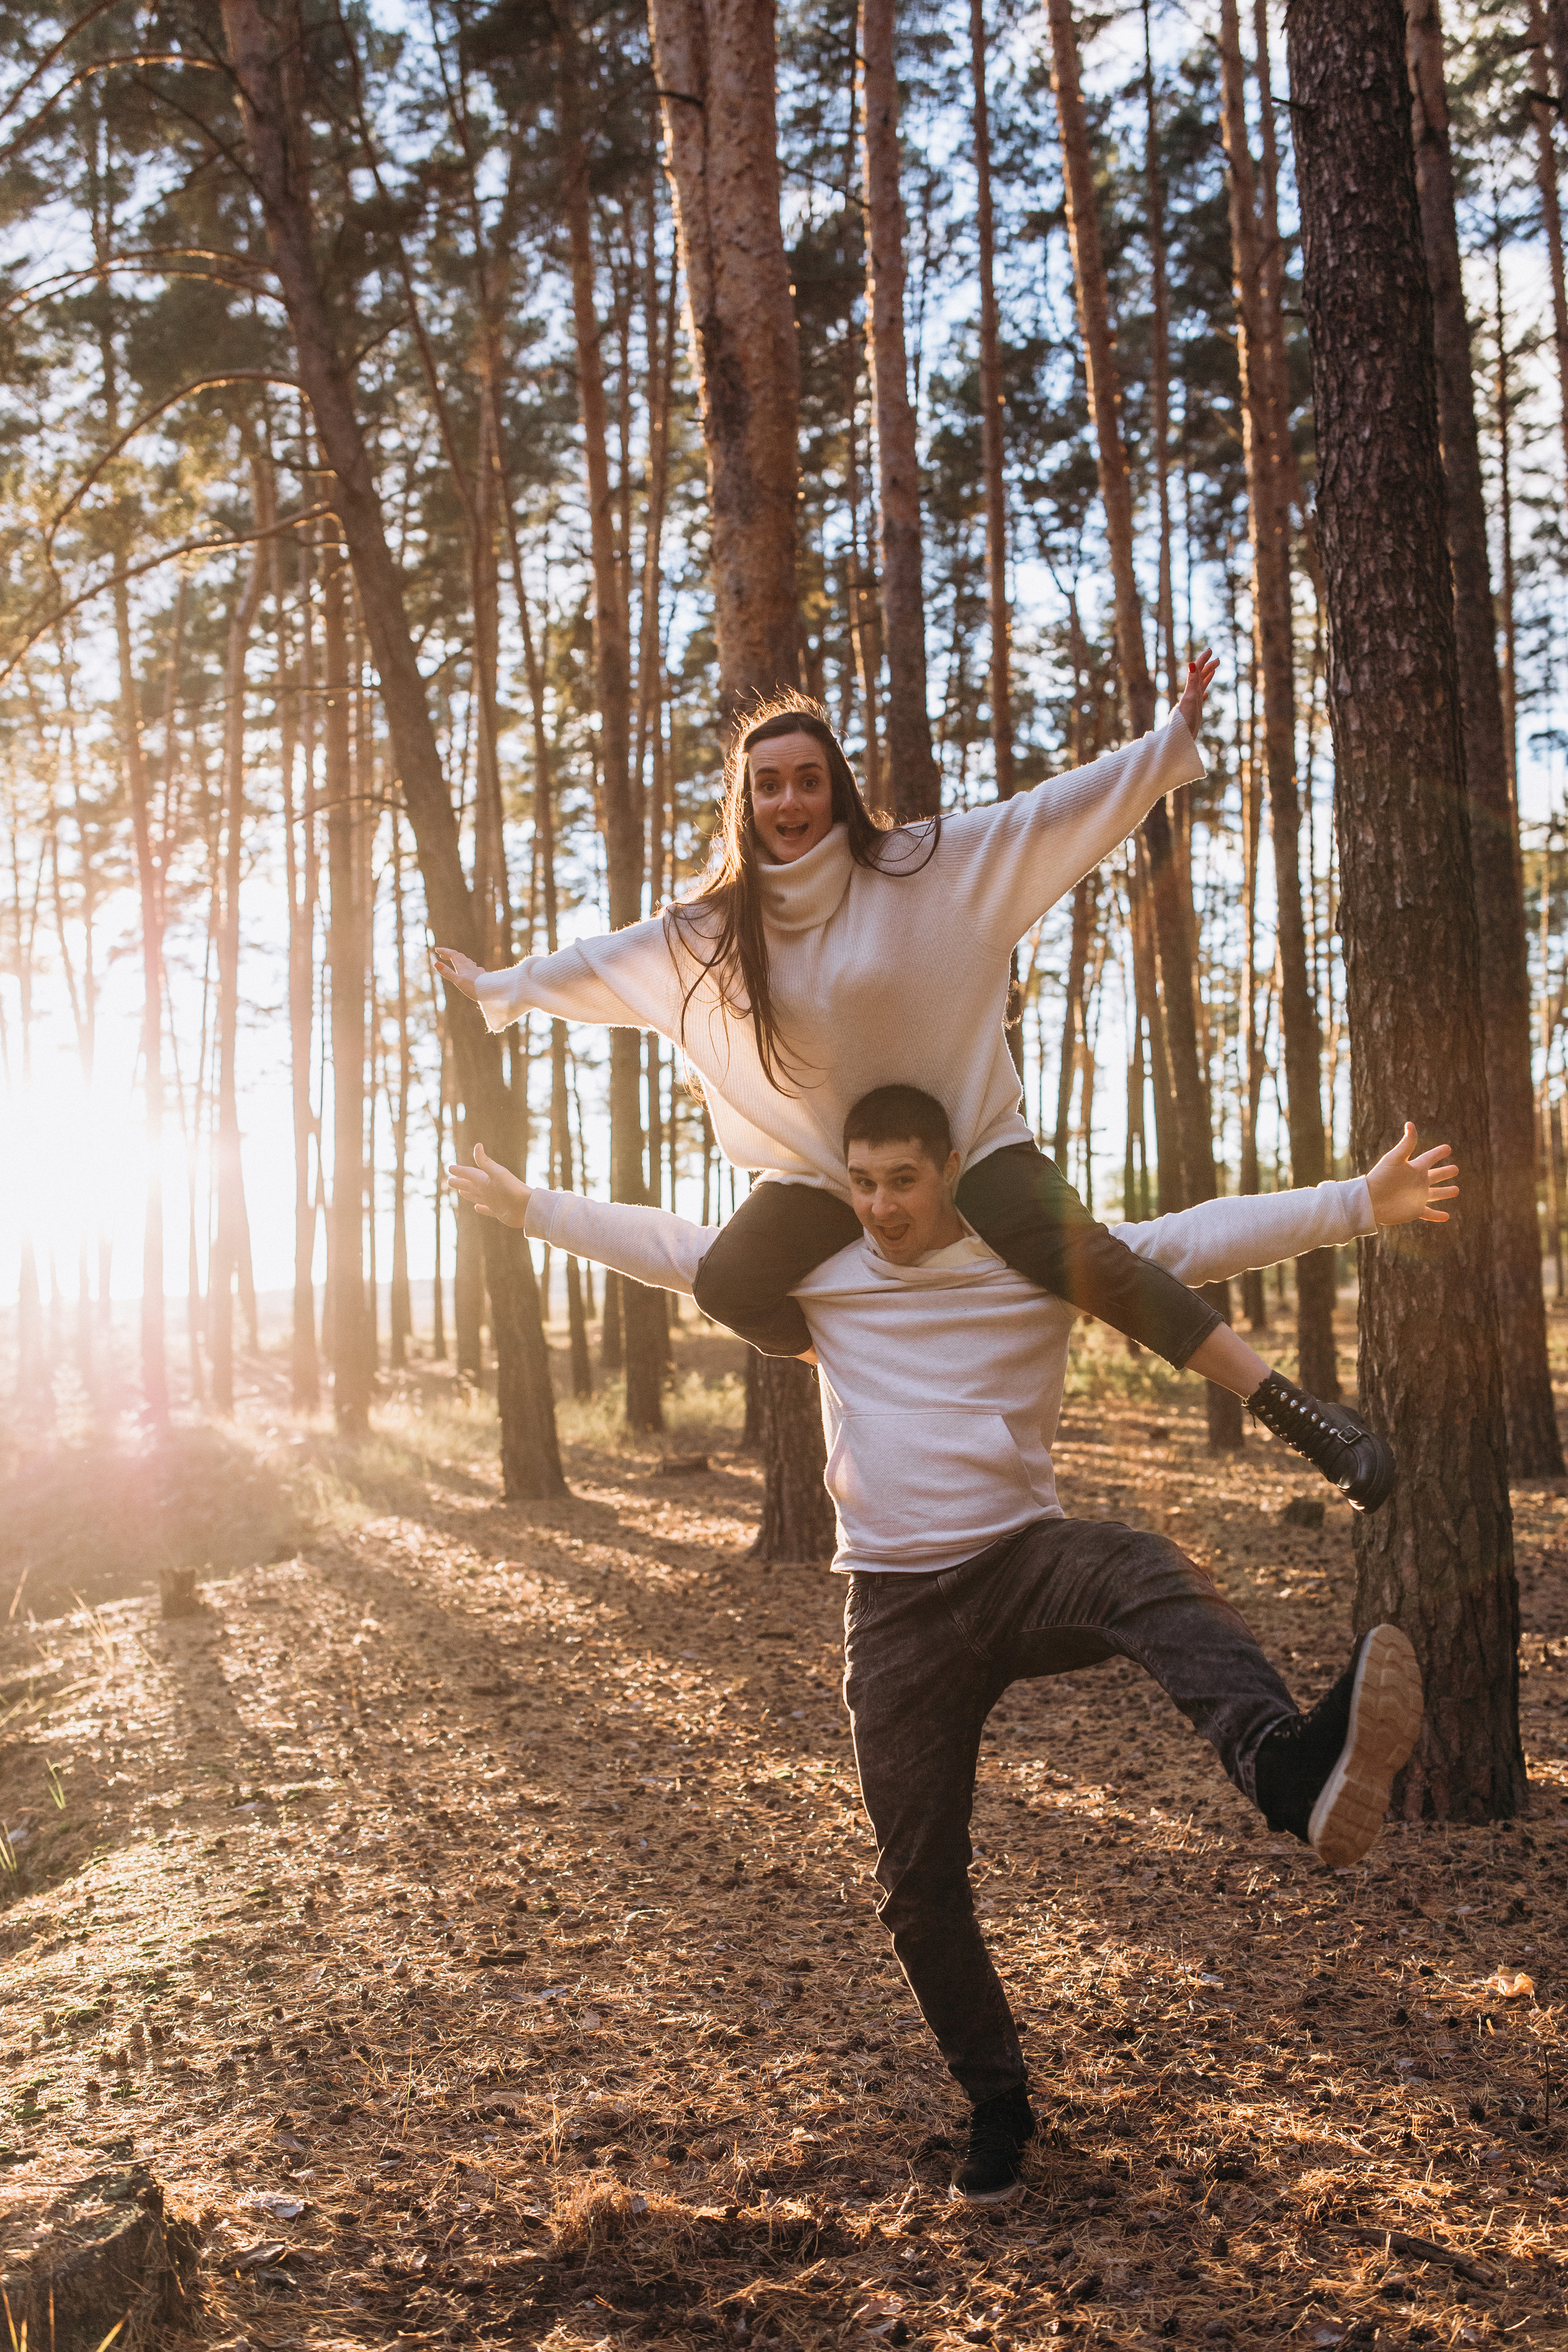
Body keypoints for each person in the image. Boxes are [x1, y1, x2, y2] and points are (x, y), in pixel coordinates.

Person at [447, 1090, 1450, 2206]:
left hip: (1021, 1565)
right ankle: (998, 2107)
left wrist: (1362, 1202)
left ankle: (1287, 1766)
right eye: (862, 1181)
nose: (880, 1206)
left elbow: (1190, 1241)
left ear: (955, 1167)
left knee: (1149, 1570)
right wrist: (528, 1206)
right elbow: (669, 1248)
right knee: (918, 1885)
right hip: (892, 1613)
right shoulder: (825, 1275)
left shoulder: (1027, 1257)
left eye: (903, 1181)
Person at [434, 676, 1393, 1515]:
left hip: (972, 1146)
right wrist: (506, 988)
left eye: (809, 780)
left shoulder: (925, 869)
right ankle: (850, 1353)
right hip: (828, 1174)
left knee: (1098, 1266)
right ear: (746, 801)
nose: (789, 800)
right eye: (768, 785)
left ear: (837, 789)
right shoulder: (718, 931)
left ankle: (1297, 1415)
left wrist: (1160, 748)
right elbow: (613, 962)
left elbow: (1046, 816)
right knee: (730, 1281)